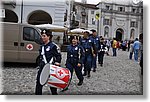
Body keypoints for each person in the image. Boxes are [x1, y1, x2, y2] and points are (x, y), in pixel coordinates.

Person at [35, 29, 61, 95]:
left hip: (50, 68)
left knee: (52, 86)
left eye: (44, 36)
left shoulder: (53, 46)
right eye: (42, 36)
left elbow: (58, 55)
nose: (42, 37)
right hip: (42, 67)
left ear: (48, 37)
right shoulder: (42, 46)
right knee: (39, 83)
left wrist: (57, 62)